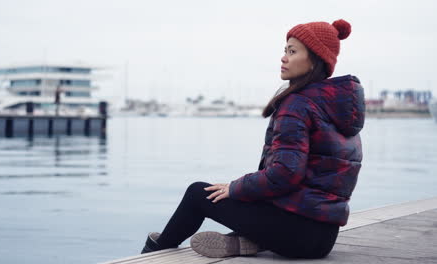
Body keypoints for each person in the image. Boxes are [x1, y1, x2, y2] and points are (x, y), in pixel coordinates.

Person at [141, 19, 365, 259]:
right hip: (324, 236)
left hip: (297, 233)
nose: (284, 58)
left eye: (292, 51)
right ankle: (245, 241)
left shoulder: (298, 104)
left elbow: (285, 174)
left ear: (315, 59)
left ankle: (154, 253)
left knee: (198, 193)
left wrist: (236, 188)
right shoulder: (336, 107)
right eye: (284, 50)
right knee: (250, 199)